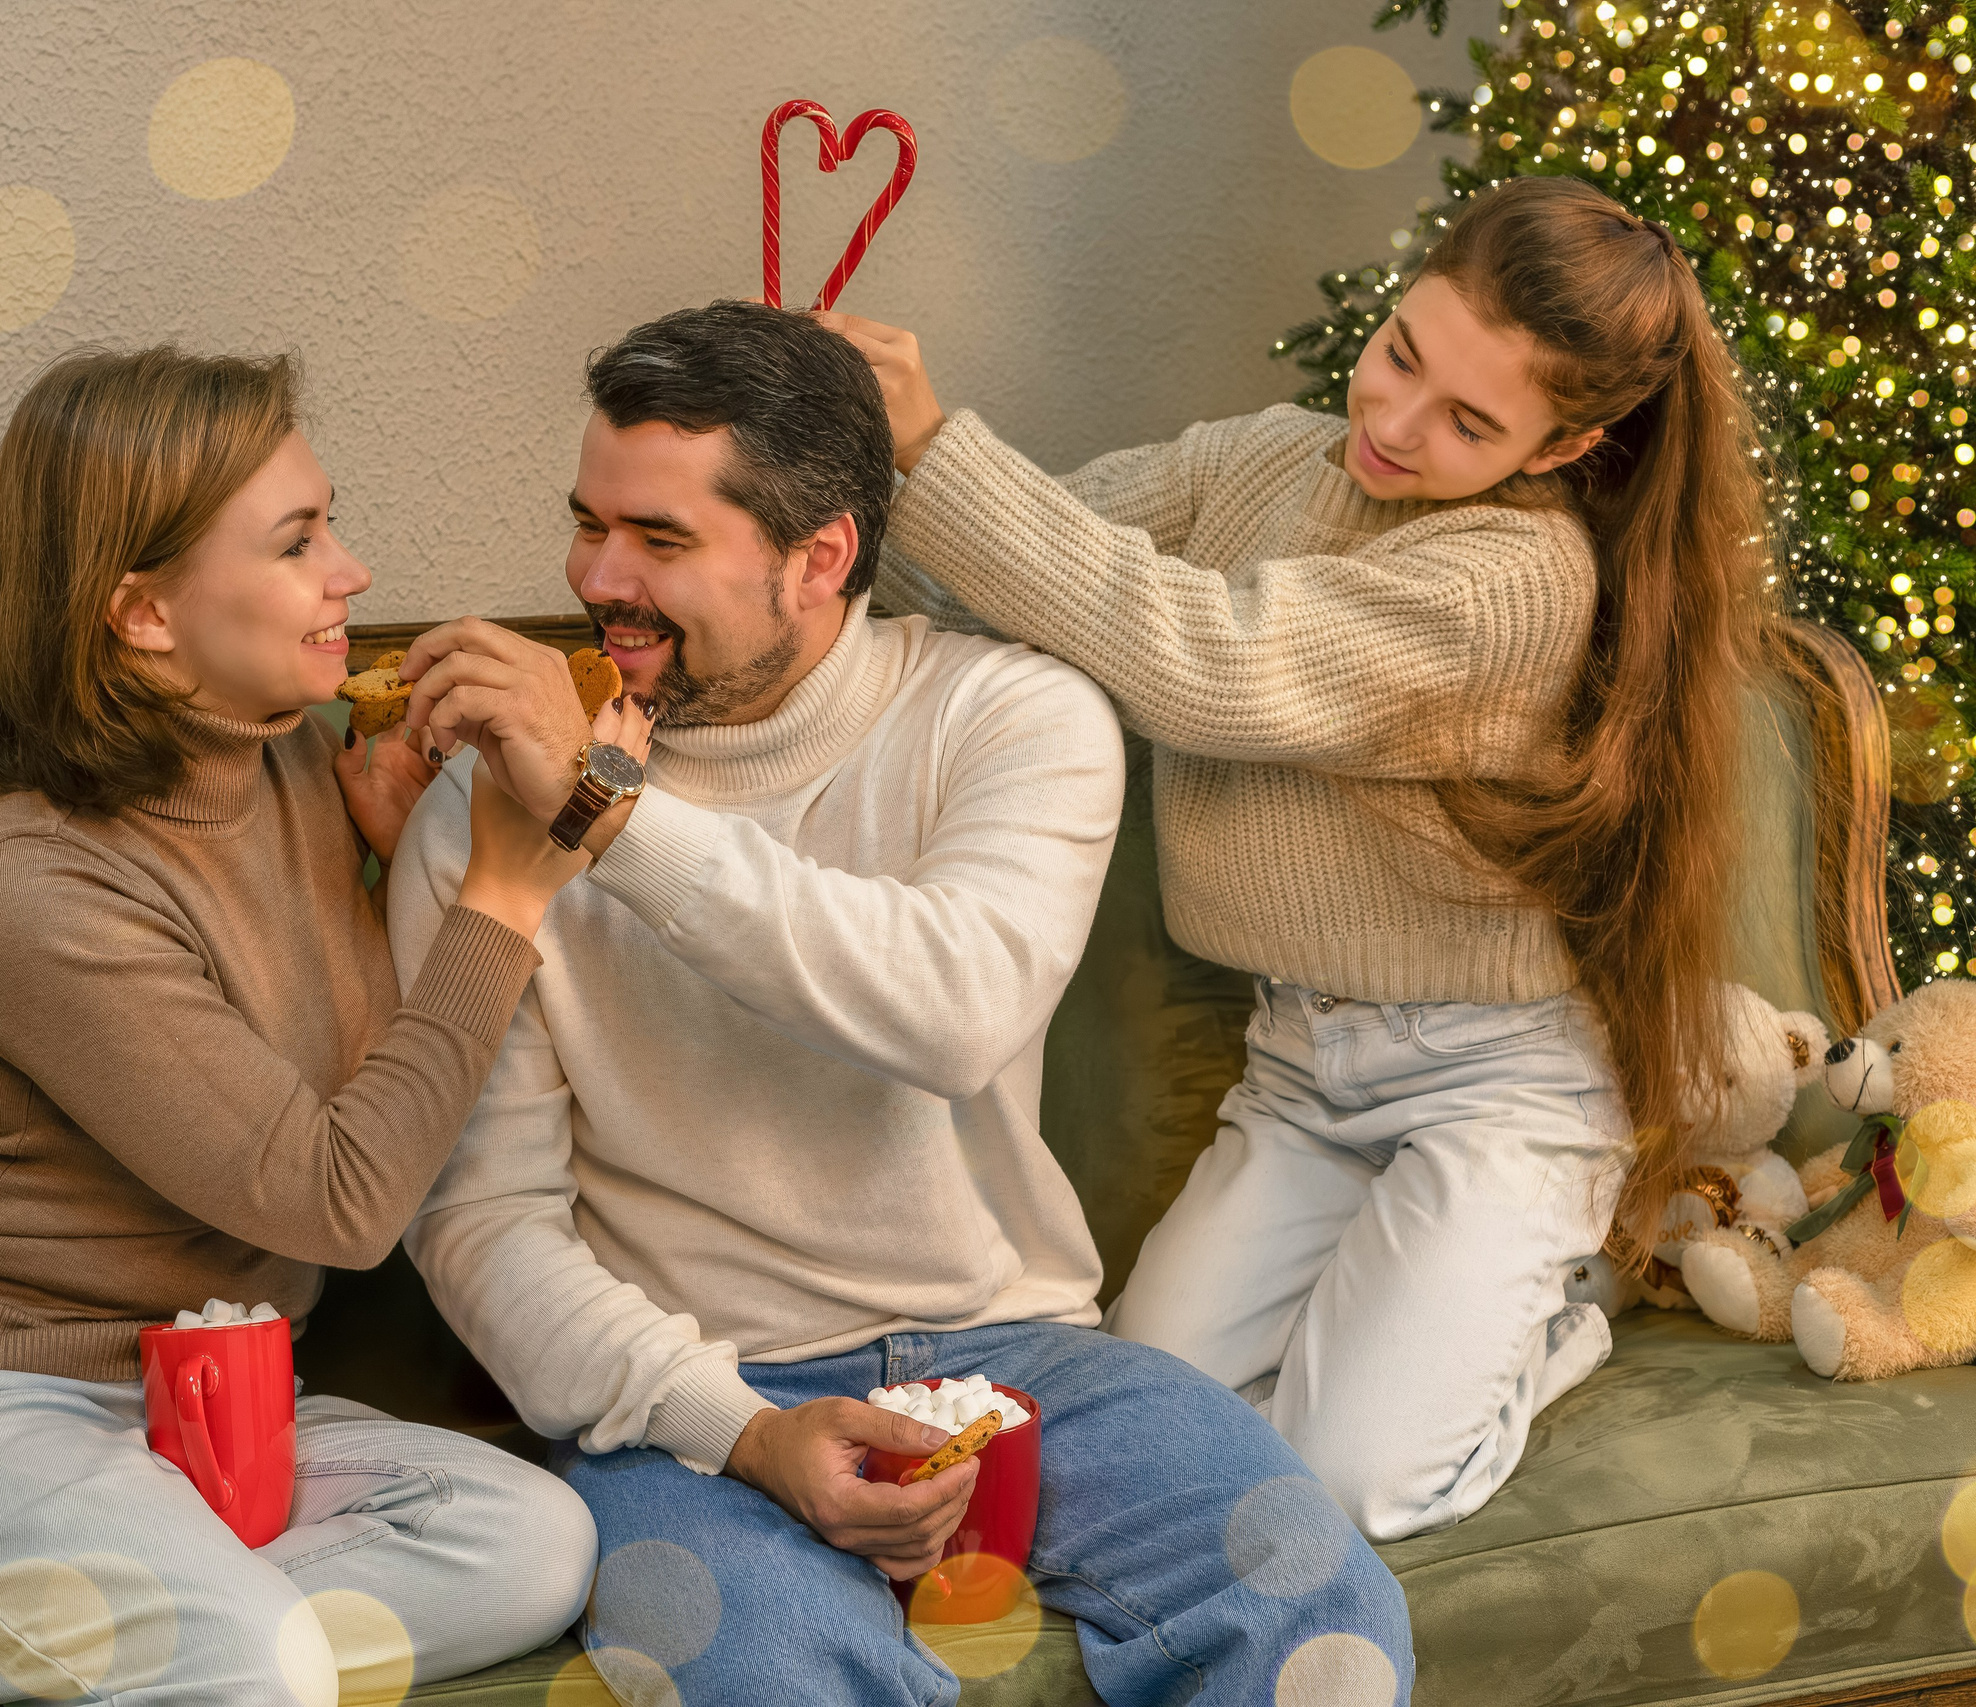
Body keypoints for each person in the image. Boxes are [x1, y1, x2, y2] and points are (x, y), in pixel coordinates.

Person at [389, 301, 1413, 1707]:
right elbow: (480, 1223)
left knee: (1320, 1604)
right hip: (690, 1392)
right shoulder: (481, 809)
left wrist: (611, 814)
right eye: (588, 523)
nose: (597, 578)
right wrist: (741, 1431)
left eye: (661, 540)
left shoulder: (1012, 718)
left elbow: (951, 1010)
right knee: (774, 1673)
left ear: (821, 557)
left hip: (1020, 1353)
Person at [826, 175, 1771, 1540]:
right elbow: (999, 575)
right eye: (1400, 352)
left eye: (1470, 422)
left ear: (1566, 446)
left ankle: (1557, 1315)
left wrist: (937, 442)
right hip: (1300, 1070)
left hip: (1495, 1083)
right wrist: (829, 496)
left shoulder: (1516, 580)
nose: (1393, 421)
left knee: (1350, 1481)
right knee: (1148, 1427)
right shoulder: (1259, 460)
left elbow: (1214, 664)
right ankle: (1442, 1310)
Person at [0, 347, 622, 1707]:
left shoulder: (290, 765)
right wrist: (499, 896)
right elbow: (339, 1201)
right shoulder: (33, 884)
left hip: (199, 1410)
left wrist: (385, 871)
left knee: (532, 1547)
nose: (352, 573)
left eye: (330, 525)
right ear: (145, 614)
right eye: (298, 542)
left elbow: (341, 1073)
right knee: (255, 1663)